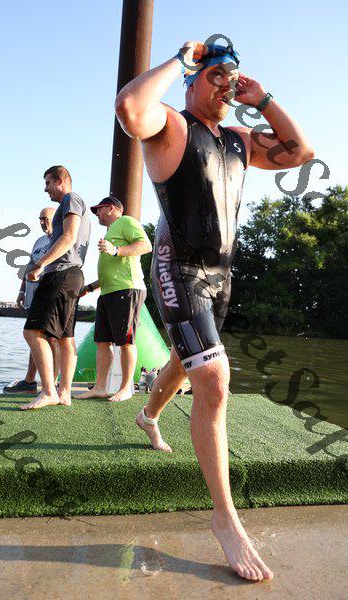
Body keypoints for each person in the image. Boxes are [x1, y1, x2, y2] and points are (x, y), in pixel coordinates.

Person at [115, 39, 314, 581]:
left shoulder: (240, 140)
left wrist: (263, 99)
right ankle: (225, 518)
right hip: (177, 265)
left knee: (189, 364)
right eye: (216, 74)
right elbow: (130, 108)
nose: (226, 82)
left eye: (233, 74)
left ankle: (148, 414)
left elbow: (300, 152)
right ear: (193, 80)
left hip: (222, 274)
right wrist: (181, 60)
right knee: (215, 378)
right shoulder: (171, 125)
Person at [21, 165, 90, 410]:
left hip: (60, 273)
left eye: (48, 183)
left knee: (32, 332)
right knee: (65, 337)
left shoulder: (71, 199)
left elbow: (69, 237)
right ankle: (64, 392)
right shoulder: (72, 203)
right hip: (73, 275)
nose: (45, 189)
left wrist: (40, 264)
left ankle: (49, 390)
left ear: (60, 180)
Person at [78, 196, 152, 402]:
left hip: (127, 290)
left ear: (110, 208)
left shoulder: (126, 221)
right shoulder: (110, 232)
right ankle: (100, 387)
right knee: (102, 342)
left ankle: (126, 388)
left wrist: (116, 250)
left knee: (126, 342)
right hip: (107, 293)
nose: (96, 214)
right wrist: (89, 288)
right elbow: (110, 269)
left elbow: (146, 245)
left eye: (98, 210)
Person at [3, 207, 59, 394]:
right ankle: (29, 381)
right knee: (35, 338)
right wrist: (22, 290)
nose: (42, 222)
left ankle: (53, 383)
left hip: (50, 296)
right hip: (32, 297)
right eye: (40, 219)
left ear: (56, 218)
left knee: (51, 339)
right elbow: (29, 267)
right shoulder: (39, 241)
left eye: (45, 219)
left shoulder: (61, 239)